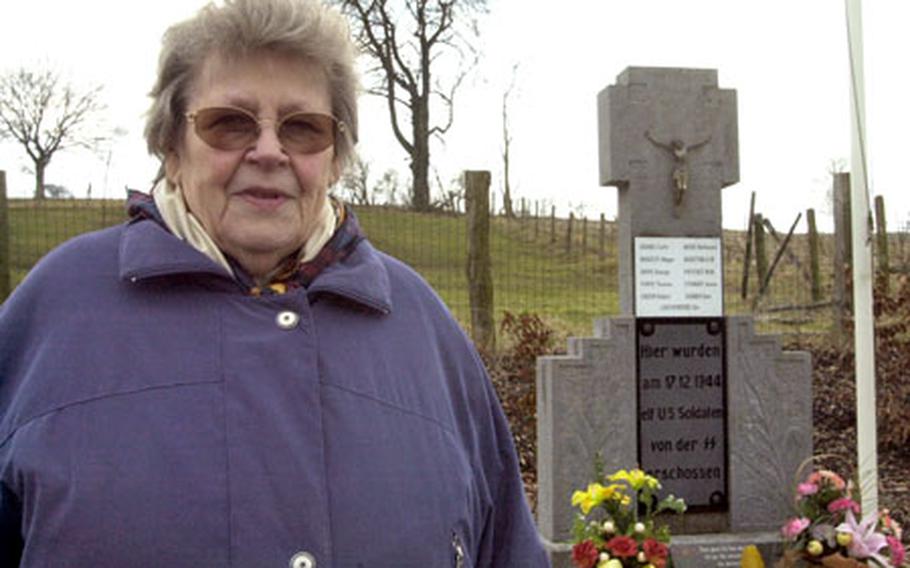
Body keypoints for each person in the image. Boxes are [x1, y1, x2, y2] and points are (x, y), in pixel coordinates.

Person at [0, 1, 549, 566]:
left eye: (303, 128)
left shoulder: (424, 332)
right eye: (229, 123)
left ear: (335, 159)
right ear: (171, 148)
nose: (268, 151)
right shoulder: (54, 315)